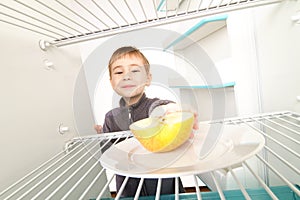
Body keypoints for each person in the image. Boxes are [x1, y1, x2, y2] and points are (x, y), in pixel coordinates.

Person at [95, 46, 198, 197]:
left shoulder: (153, 105)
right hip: (128, 187)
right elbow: (108, 153)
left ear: (148, 79)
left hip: (163, 184)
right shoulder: (110, 117)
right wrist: (102, 135)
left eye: (135, 71)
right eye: (119, 72)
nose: (127, 76)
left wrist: (170, 109)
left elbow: (159, 109)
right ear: (112, 82)